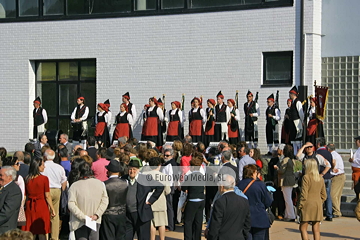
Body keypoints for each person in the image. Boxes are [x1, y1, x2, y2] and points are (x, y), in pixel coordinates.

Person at [121, 160, 164, 240]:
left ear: (138, 170)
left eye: (134, 169)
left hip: (142, 214)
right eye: (130, 169)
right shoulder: (123, 179)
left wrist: (151, 200)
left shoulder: (145, 179)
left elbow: (160, 186)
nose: (132, 171)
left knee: (143, 237)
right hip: (127, 215)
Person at [68, 161, 109, 240]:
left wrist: (83, 217)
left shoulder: (74, 186)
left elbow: (71, 204)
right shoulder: (100, 184)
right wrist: (96, 215)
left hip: (79, 222)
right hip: (95, 220)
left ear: (80, 172)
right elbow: (105, 201)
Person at [206, 174, 251, 240]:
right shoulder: (244, 200)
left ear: (222, 186)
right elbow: (247, 223)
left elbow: (215, 225)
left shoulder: (220, 202)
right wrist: (244, 236)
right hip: (239, 237)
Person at [23, 158, 56, 240]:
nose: (44, 167)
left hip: (30, 206)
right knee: (42, 230)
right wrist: (52, 208)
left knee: (31, 230)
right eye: (43, 165)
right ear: (38, 166)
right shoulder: (44, 179)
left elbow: (25, 195)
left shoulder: (27, 179)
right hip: (41, 206)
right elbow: (47, 195)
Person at [237, 164, 273, 240]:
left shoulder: (239, 185)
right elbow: (268, 202)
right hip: (259, 218)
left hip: (243, 219)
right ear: (253, 173)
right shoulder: (260, 185)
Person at [298, 158, 327, 240]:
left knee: (303, 228)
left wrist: (300, 206)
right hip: (317, 204)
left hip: (307, 204)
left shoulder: (306, 177)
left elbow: (304, 194)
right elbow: (324, 195)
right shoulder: (320, 178)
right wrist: (319, 201)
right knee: (316, 229)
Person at [42, 149, 67, 240]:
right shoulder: (59, 167)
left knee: (45, 213)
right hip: (57, 189)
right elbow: (64, 181)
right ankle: (55, 236)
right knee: (55, 214)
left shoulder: (43, 166)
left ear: (45, 157)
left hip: (46, 190)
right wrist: (62, 190)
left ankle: (45, 235)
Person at [100, 160, 128, 240]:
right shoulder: (125, 182)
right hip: (122, 214)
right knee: (120, 237)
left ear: (108, 171)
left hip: (108, 214)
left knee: (108, 237)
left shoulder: (104, 184)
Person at [144, 157, 171, 240]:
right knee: (162, 223)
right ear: (159, 165)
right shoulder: (164, 176)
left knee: (151, 224)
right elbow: (168, 191)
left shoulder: (145, 175)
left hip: (148, 202)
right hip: (161, 202)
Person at [181, 154, 206, 240]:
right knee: (198, 221)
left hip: (192, 200)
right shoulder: (203, 176)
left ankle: (188, 238)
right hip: (201, 200)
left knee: (188, 221)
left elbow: (183, 187)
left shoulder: (190, 176)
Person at [274, 144, 296, 221]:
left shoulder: (285, 159)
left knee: (287, 199)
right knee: (288, 198)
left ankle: (291, 215)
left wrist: (277, 168)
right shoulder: (292, 159)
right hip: (291, 179)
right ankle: (288, 214)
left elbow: (282, 171)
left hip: (285, 180)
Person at [2, 157, 26, 227]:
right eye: (17, 163)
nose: (19, 165)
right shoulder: (19, 178)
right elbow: (22, 195)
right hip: (16, 207)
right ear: (11, 165)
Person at [315, 137, 334, 221]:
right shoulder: (329, 153)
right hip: (328, 176)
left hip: (320, 176)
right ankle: (329, 214)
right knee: (328, 196)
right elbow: (332, 163)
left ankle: (320, 213)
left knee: (319, 196)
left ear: (318, 144)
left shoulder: (317, 153)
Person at [0, 166, 22, 234]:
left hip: (5, 231)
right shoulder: (3, 188)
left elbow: (6, 213)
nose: (0, 177)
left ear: (9, 177)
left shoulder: (14, 191)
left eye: (1, 175)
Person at [328, 143, 345, 218]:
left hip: (337, 176)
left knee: (333, 195)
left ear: (328, 149)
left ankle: (336, 211)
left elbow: (333, 161)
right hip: (341, 175)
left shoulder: (333, 155)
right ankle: (337, 211)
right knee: (337, 195)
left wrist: (332, 167)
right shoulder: (336, 154)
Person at [288, 86, 304, 154]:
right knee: (293, 139)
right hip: (292, 122)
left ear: (293, 94)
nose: (289, 95)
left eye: (290, 94)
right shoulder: (293, 103)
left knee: (298, 139)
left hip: (297, 122)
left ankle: (299, 153)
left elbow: (301, 113)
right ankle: (295, 153)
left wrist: (302, 121)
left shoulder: (298, 102)